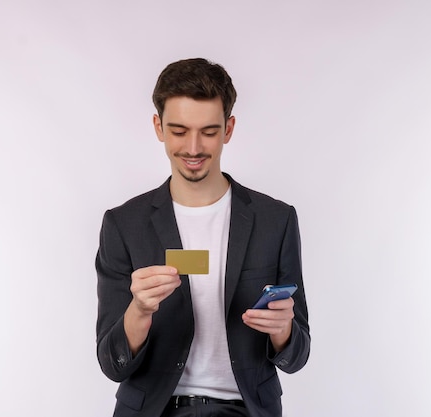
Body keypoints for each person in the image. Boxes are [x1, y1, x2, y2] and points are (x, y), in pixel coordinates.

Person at [95, 58, 310, 417]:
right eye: (179, 131)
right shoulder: (123, 225)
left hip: (246, 410)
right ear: (158, 127)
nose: (193, 148)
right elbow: (112, 364)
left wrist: (283, 330)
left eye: (208, 132)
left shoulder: (276, 220)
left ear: (228, 129)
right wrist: (140, 310)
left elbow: (297, 356)